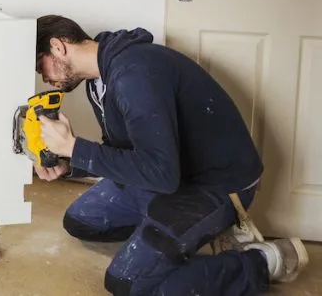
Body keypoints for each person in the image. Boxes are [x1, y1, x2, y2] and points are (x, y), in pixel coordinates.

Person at [32, 15, 309, 295]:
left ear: (58, 46)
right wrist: (70, 164)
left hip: (215, 184)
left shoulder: (134, 73)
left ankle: (263, 260)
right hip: (169, 173)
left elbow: (160, 173)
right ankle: (176, 235)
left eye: (40, 65)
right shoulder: (98, 78)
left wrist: (74, 147)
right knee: (81, 221)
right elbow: (125, 152)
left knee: (127, 282)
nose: (43, 77)